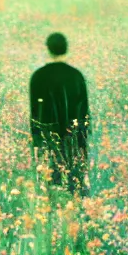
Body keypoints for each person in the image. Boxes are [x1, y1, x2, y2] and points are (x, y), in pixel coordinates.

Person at [30, 32, 90, 195]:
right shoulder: (76, 76)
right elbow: (84, 112)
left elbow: (34, 116)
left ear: (48, 50)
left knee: (49, 187)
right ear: (66, 49)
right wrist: (83, 142)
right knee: (76, 187)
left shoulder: (38, 76)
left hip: (48, 140)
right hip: (73, 140)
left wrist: (36, 142)